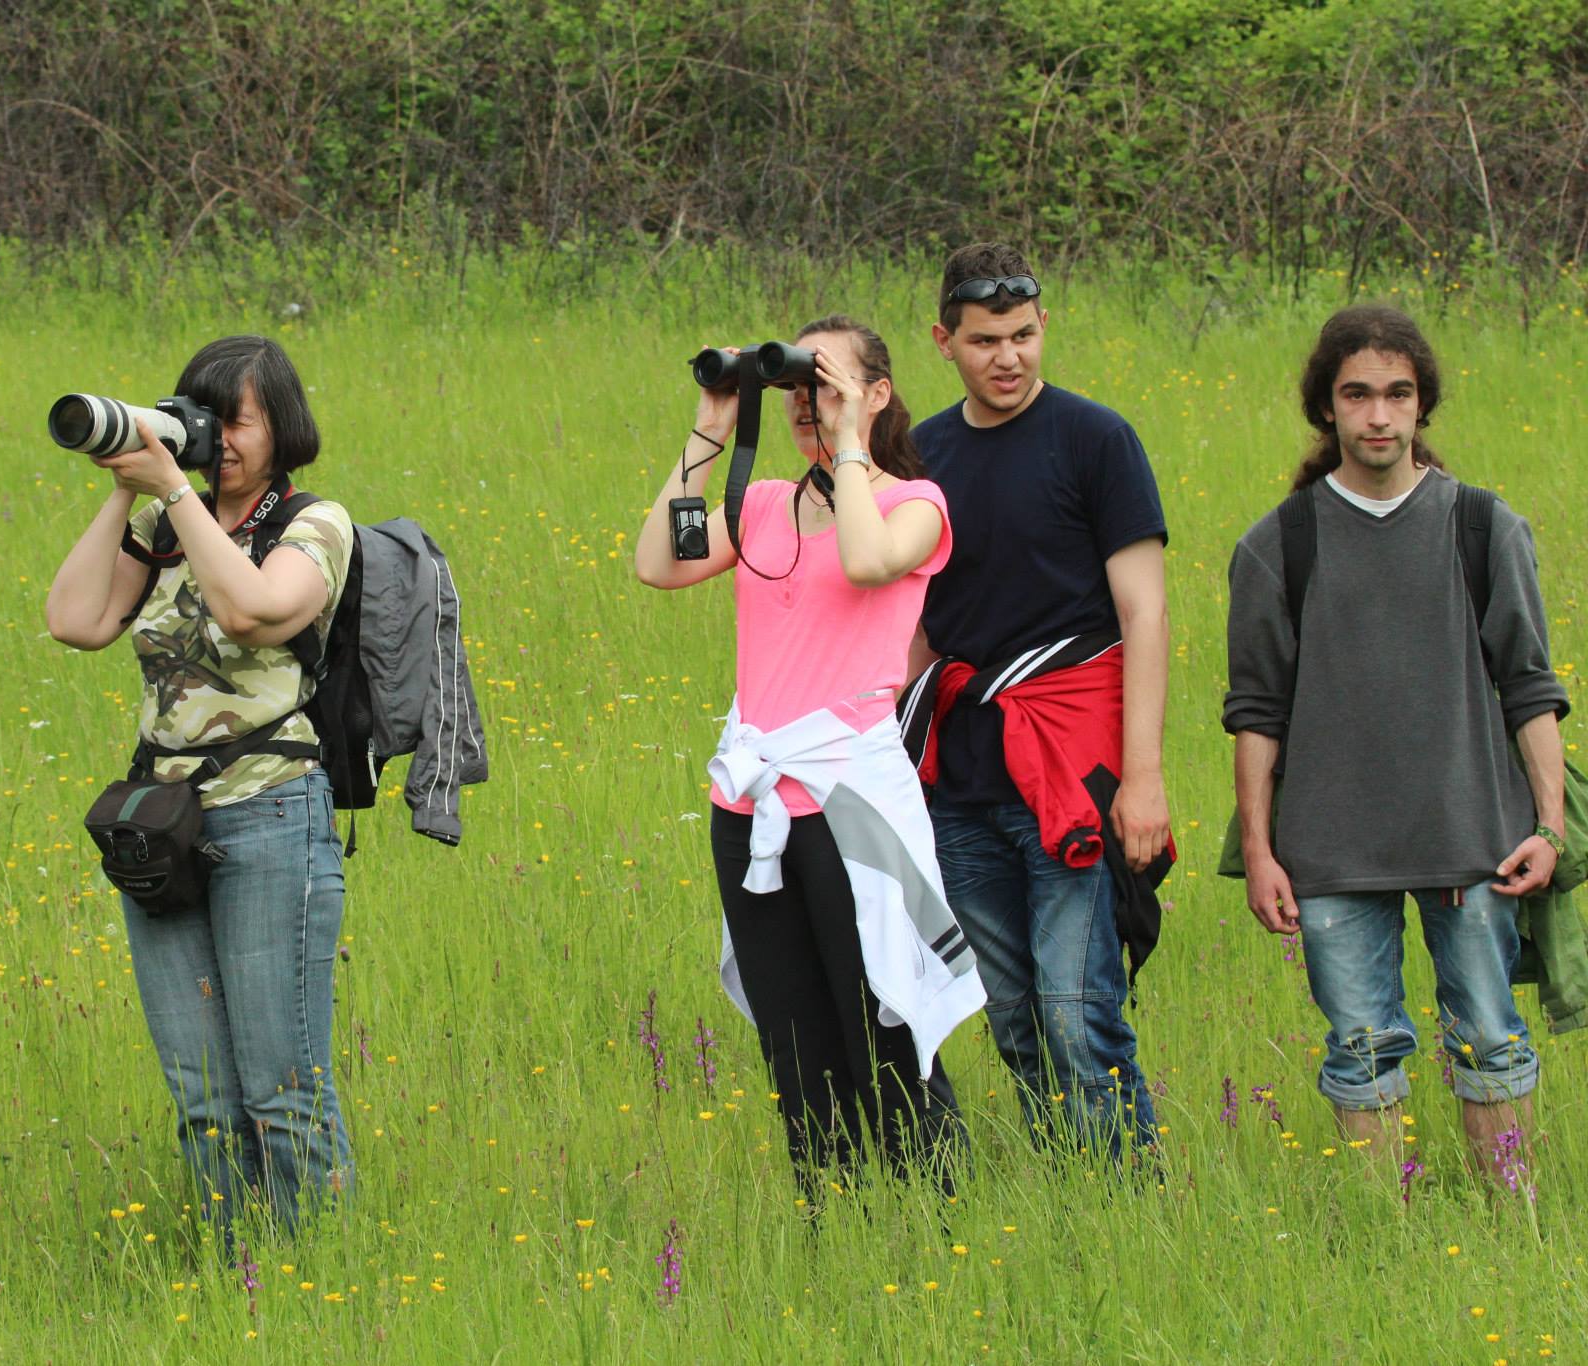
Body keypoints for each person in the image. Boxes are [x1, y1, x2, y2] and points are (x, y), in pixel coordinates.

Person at [636, 315, 983, 1195]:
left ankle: (937, 1215)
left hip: (851, 805)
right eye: (794, 386)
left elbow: (866, 562)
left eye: (825, 386)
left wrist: (851, 439)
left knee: (883, 1025)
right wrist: (712, 428)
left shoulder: (916, 505)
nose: (804, 405)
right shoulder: (760, 505)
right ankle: (834, 1217)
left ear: (878, 393)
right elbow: (659, 564)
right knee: (794, 1044)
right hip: (751, 804)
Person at [1224, 305, 1566, 1182]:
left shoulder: (1484, 527)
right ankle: (1388, 1231)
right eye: (1357, 395)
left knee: (1491, 1037)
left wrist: (1550, 828)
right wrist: (1259, 851)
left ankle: (1512, 1227)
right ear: (1326, 406)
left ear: (1422, 405)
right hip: (1331, 849)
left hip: (1474, 839)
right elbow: (1256, 712)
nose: (1379, 415)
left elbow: (1531, 686)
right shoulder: (1277, 544)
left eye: (1398, 394)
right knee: (1361, 1048)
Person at [45, 335, 354, 1234]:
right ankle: (235, 1272)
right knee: (203, 1097)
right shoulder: (159, 523)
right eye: (199, 419)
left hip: (272, 813)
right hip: (164, 824)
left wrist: (178, 496)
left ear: (281, 426)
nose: (216, 439)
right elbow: (74, 619)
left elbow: (254, 611)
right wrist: (126, 489)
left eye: (237, 422)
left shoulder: (314, 523)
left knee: (281, 1086)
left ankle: (315, 1273)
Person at [905, 243, 1172, 1159]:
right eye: (985, 341)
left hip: (1072, 769)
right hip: (963, 778)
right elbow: (917, 625)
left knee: (1073, 1007)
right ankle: (1068, 1187)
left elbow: (1144, 613)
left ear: (1044, 325)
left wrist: (1144, 779)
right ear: (944, 341)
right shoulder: (923, 455)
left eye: (1023, 335)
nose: (1008, 357)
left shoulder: (1097, 440)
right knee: (1013, 1013)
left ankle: (1126, 1195)